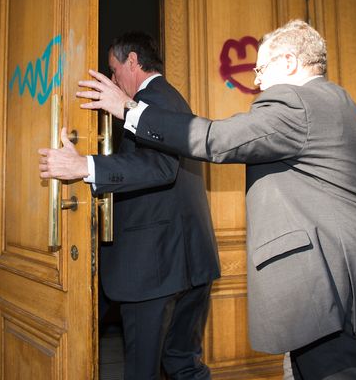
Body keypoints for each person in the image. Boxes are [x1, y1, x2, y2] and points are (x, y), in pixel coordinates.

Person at [75, 20, 356, 379]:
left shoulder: (298, 103)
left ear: (290, 62)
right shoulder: (337, 101)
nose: (257, 82)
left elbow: (218, 140)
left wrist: (129, 111)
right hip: (343, 291)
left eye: (261, 69)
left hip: (334, 295)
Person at [38, 31, 220, 380]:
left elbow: (160, 169)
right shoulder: (166, 98)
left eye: (113, 69)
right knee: (183, 364)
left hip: (155, 266)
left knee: (145, 371)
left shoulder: (155, 100)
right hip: (184, 262)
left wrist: (84, 167)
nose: (112, 79)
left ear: (132, 61)